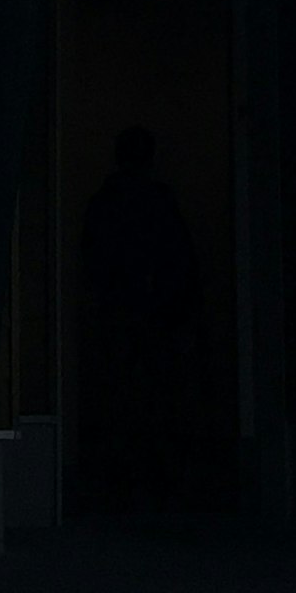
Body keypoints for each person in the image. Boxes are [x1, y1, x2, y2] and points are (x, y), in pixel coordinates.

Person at [75, 126, 206, 532]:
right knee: (158, 404)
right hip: (158, 319)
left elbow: (92, 261)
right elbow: (182, 261)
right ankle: (158, 488)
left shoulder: (105, 203)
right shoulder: (159, 202)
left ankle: (120, 488)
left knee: (119, 402)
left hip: (120, 318)